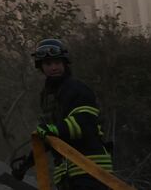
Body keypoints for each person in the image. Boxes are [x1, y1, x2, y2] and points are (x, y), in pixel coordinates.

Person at [31, 39, 113, 187]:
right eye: (48, 64)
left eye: (57, 63)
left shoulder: (77, 89)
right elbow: (50, 136)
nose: (53, 67)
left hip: (90, 169)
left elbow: (84, 123)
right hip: (67, 173)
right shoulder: (47, 97)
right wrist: (28, 162)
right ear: (41, 67)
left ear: (64, 63)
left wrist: (53, 129)